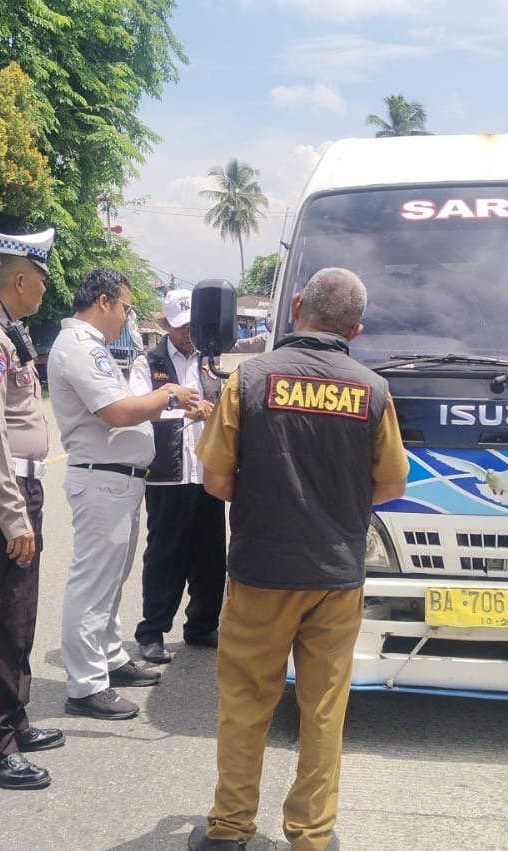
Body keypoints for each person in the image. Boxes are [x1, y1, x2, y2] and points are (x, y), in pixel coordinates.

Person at [187, 268, 409, 851]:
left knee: (245, 702)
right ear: (355, 330)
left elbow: (214, 479)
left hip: (261, 569)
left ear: (298, 305)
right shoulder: (373, 391)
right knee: (324, 710)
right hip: (336, 576)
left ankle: (230, 829)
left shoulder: (250, 380)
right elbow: (390, 486)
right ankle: (311, 835)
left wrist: (267, 495)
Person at [49, 268, 202, 720]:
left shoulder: (93, 347)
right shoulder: (79, 347)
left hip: (117, 478)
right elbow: (117, 413)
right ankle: (85, 685)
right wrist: (169, 395)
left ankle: (110, 659)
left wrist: (171, 406)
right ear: (102, 301)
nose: (125, 316)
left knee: (110, 582)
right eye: (124, 306)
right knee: (93, 585)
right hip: (102, 478)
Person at [0, 224, 60, 791]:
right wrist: (12, 513)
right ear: (19, 280)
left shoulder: (8, 332)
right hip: (6, 492)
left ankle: (15, 720)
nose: (44, 292)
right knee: (0, 620)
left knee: (22, 613)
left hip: (23, 488)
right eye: (41, 283)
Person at [128, 289, 223, 664]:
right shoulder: (148, 363)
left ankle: (201, 625)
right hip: (167, 476)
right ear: (165, 324)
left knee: (211, 556)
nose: (188, 333)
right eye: (181, 326)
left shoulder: (211, 361)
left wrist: (213, 411)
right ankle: (152, 631)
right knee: (166, 554)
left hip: (207, 473)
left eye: (193, 326)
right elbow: (139, 410)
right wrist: (184, 412)